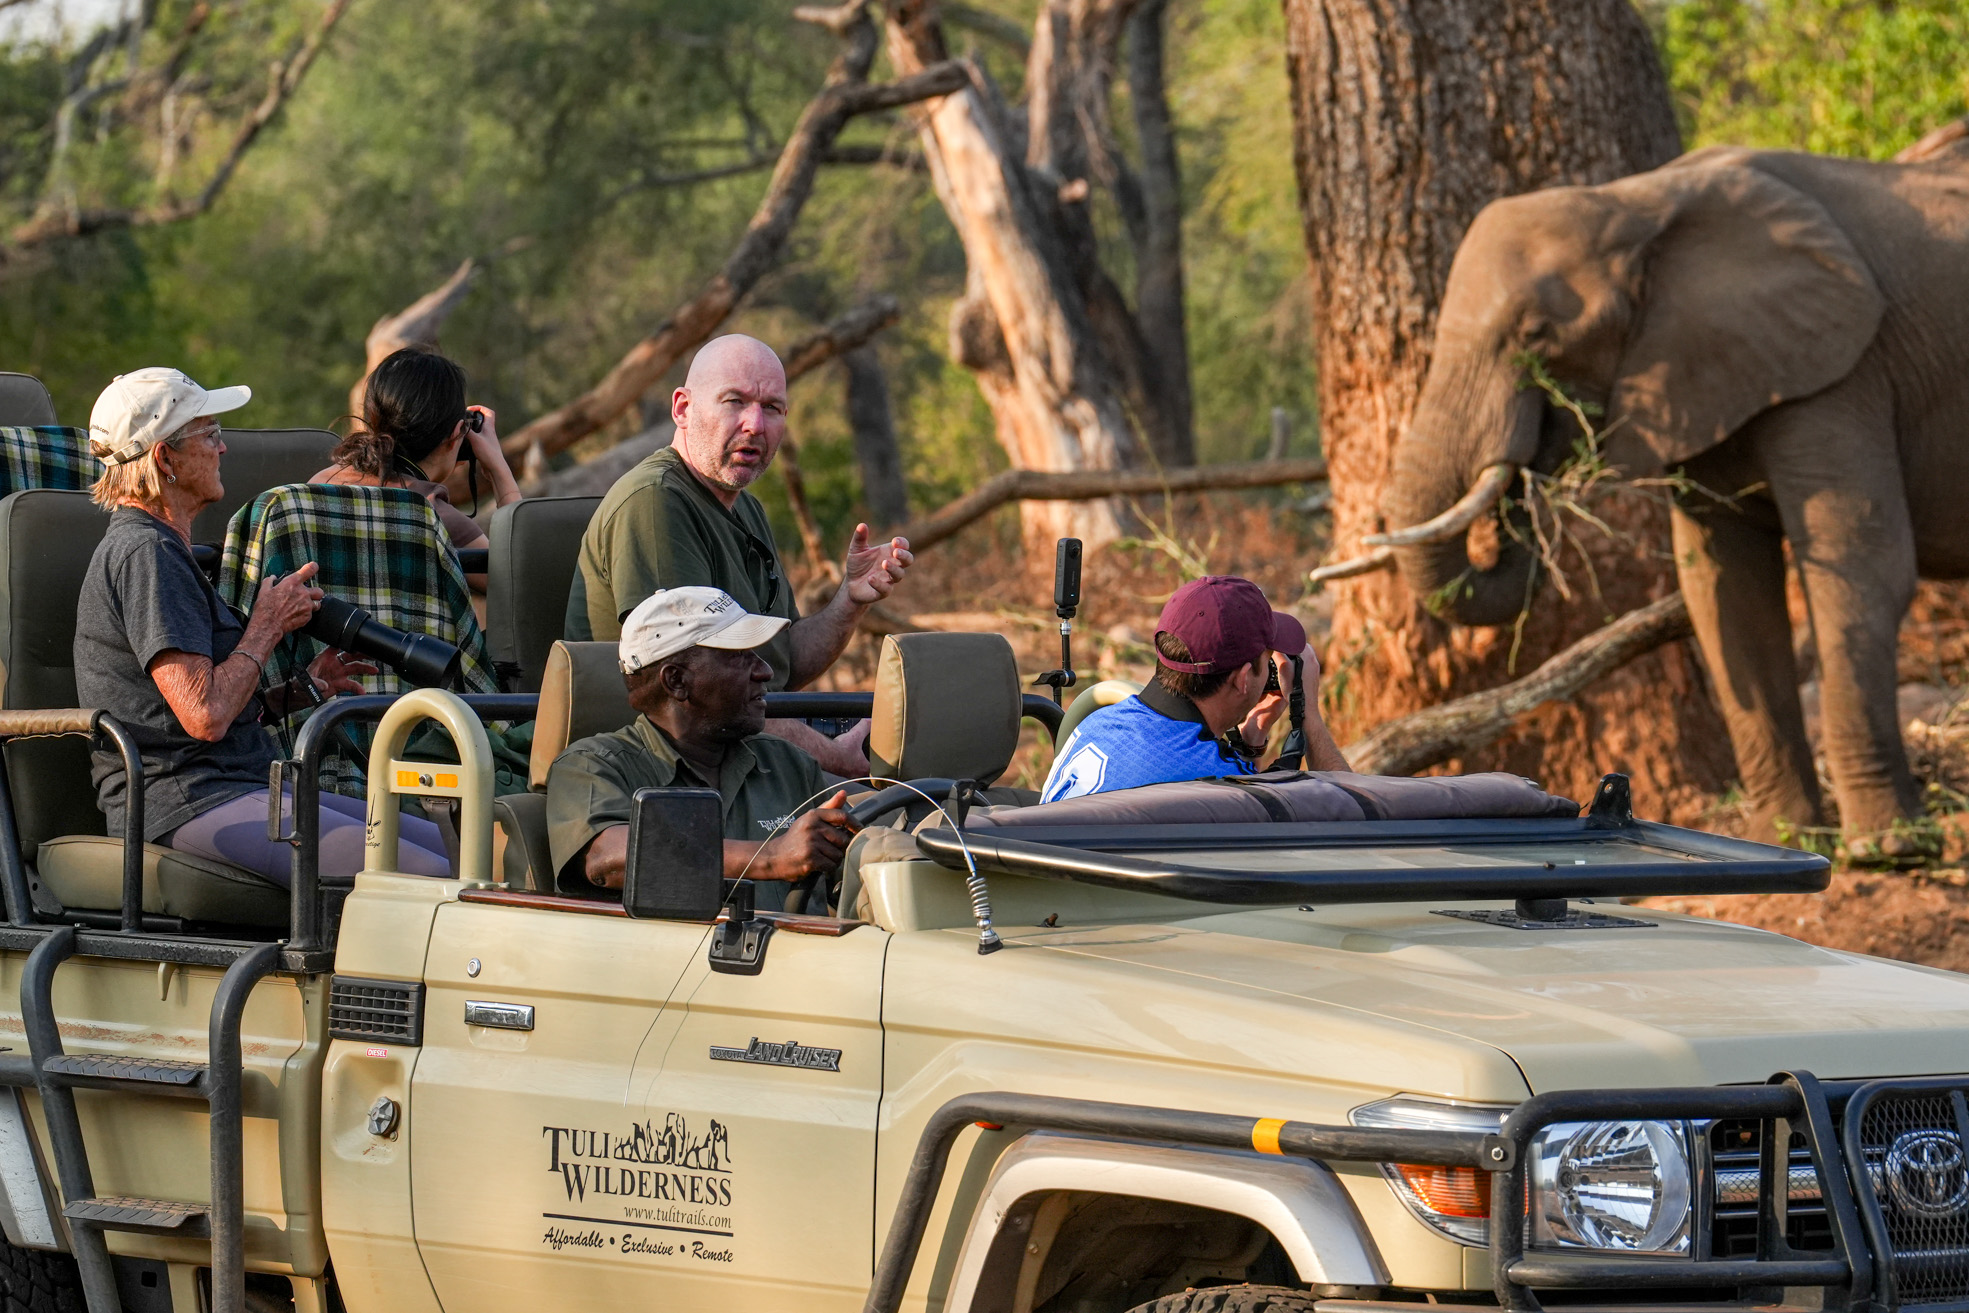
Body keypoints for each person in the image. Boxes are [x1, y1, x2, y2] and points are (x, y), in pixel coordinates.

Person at [75, 367, 452, 885]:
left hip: (240, 782)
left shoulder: (165, 550)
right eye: (209, 434)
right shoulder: (147, 553)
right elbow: (204, 715)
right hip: (186, 798)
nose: (222, 448)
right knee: (427, 873)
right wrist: (266, 625)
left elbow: (190, 710)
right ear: (166, 458)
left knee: (461, 849)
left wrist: (295, 694)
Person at [565, 334, 910, 774]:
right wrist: (834, 758)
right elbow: (699, 696)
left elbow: (782, 664)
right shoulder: (655, 501)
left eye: (772, 408)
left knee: (925, 729)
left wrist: (849, 601)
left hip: (739, 739)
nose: (755, 425)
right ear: (682, 409)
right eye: (734, 401)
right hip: (669, 763)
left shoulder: (744, 506)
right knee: (902, 816)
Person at [546, 587, 857, 909]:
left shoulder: (784, 762)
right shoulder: (592, 766)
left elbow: (856, 866)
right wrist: (773, 856)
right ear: (677, 681)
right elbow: (608, 858)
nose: (764, 671)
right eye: (738, 656)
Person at [1041, 575, 1348, 803]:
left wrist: (1251, 738)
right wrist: (1309, 718)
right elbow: (1356, 818)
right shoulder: (1210, 785)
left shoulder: (1097, 722)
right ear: (1243, 679)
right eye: (1267, 659)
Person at [312, 346, 521, 592]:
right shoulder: (433, 515)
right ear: (456, 435)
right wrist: (499, 470)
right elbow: (520, 587)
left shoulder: (317, 486)